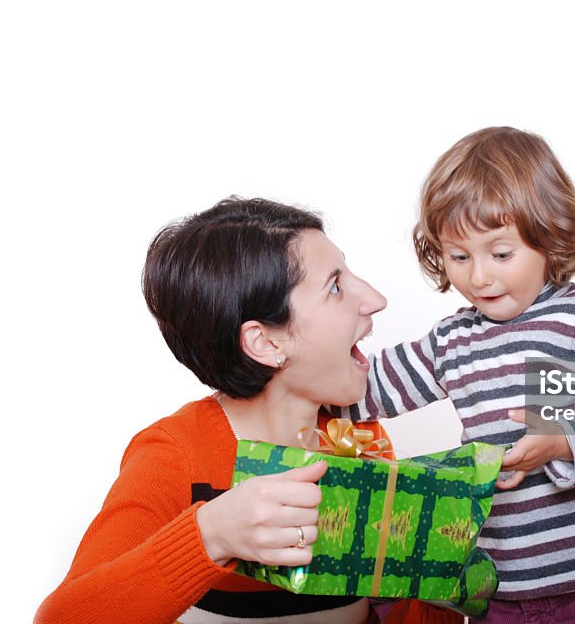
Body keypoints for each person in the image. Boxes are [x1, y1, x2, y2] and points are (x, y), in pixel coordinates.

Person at [340, 127, 575, 623]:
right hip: (498, 590)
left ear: (550, 235)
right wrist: (282, 371)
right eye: (459, 257)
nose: (478, 276)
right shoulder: (452, 340)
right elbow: (363, 389)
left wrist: (561, 442)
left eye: (500, 254)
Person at [36, 198, 396, 623]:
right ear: (267, 344)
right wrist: (210, 537)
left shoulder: (363, 439)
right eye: (335, 286)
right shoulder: (174, 455)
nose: (376, 299)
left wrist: (455, 582)